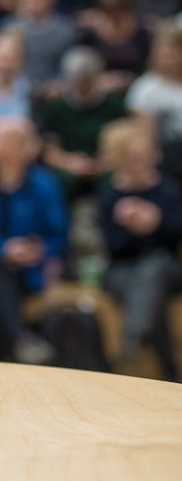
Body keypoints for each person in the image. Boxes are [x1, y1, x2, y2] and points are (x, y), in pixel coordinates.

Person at [0, 118, 69, 364]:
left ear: (21, 147)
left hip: (28, 270)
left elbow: (57, 234)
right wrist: (5, 249)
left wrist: (37, 250)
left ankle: (1, 357)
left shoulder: (44, 184)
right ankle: (21, 338)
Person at [97, 119, 182, 381]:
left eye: (146, 156)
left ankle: (133, 338)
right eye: (134, 158)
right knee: (147, 286)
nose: (142, 163)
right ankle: (170, 374)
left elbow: (176, 237)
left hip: (166, 267)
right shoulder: (110, 194)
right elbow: (114, 247)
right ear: (119, 159)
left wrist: (155, 224)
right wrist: (134, 229)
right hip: (123, 271)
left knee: (154, 268)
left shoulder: (168, 189)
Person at [39, 48, 128, 200]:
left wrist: (102, 163)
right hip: (69, 163)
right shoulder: (58, 107)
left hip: (105, 163)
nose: (83, 87)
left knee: (116, 181)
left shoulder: (112, 105)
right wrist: (69, 162)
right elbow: (50, 149)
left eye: (88, 81)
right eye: (79, 82)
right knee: (59, 181)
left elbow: (125, 143)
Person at [1, 0, 76, 95]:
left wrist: (60, 84)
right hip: (16, 92)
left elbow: (69, 66)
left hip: (54, 92)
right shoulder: (9, 27)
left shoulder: (64, 29)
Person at [127, 26, 182, 183]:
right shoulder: (145, 88)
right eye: (164, 49)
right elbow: (143, 134)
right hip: (162, 155)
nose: (168, 55)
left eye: (174, 49)